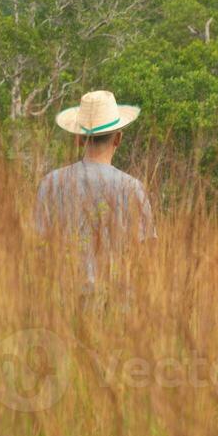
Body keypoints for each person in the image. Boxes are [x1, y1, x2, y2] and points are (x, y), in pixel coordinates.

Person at [34, 90, 154, 289]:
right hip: (118, 305)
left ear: (79, 139)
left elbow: (39, 248)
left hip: (63, 303)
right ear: (118, 139)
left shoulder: (50, 183)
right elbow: (145, 256)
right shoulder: (133, 189)